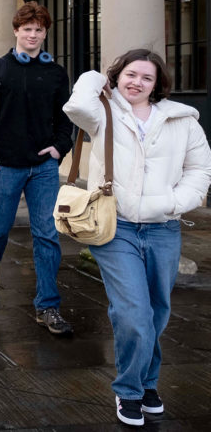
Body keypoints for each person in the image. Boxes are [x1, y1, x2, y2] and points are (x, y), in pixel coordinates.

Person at [63, 49, 211, 427]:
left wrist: (172, 203)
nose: (137, 83)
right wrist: (99, 78)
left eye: (147, 77)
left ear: (158, 83)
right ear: (118, 75)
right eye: (130, 74)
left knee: (156, 312)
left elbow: (199, 171)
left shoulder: (183, 121)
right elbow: (76, 106)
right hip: (116, 226)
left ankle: (148, 383)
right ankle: (129, 390)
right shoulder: (103, 110)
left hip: (164, 227)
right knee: (133, 313)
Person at [0, 2, 75, 336]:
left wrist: (59, 147)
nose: (32, 35)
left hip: (42, 166)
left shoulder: (55, 73)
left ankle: (48, 306)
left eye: (38, 29)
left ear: (45, 33)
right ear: (16, 31)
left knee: (47, 233)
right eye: (27, 29)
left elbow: (65, 117)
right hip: (5, 165)